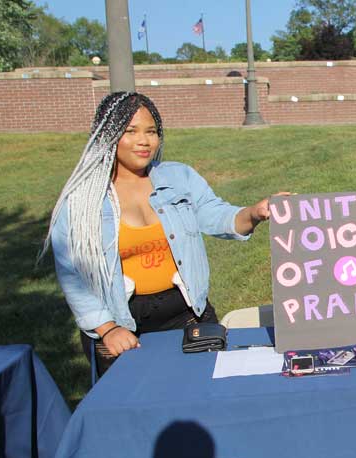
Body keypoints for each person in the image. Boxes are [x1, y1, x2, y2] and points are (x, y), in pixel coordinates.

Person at [41, 92, 282, 375]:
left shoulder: (179, 178)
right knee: (132, 410)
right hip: (119, 325)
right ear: (106, 135)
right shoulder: (82, 200)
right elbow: (72, 275)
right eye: (130, 131)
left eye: (152, 131)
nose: (144, 141)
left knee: (205, 396)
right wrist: (107, 330)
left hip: (188, 315)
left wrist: (254, 213)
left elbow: (217, 215)